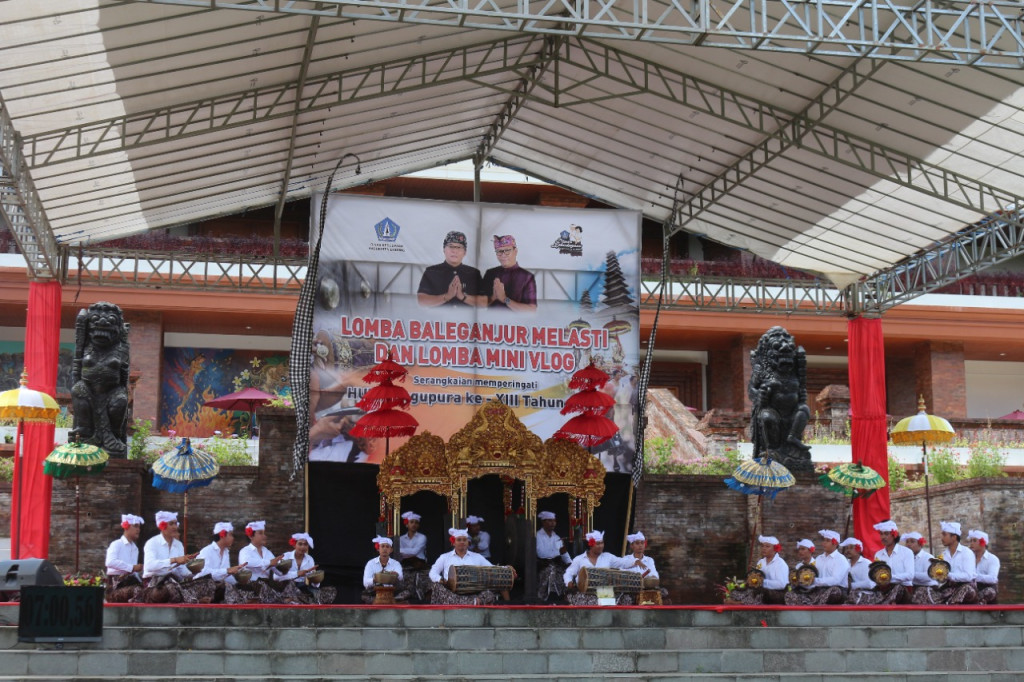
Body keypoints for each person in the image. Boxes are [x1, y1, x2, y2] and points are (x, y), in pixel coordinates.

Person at [429, 528, 501, 605]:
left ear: (468, 543)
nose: (462, 542)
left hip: (473, 592)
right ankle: (471, 602)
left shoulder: (477, 557)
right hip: (451, 593)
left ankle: (468, 602)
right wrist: (442, 580)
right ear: (453, 543)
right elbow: (433, 572)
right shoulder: (444, 557)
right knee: (437, 586)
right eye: (459, 540)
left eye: (464, 540)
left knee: (490, 588)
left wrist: (506, 569)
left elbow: (492, 569)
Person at [139, 511, 198, 603]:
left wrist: (196, 569)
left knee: (206, 584)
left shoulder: (178, 545)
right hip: (154, 584)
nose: (175, 527)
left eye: (175, 523)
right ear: (162, 526)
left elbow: (181, 571)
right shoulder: (152, 543)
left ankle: (190, 599)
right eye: (171, 524)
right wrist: (174, 560)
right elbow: (149, 566)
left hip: (174, 582)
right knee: (171, 588)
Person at [563, 530, 634, 606]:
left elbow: (622, 562)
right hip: (585, 593)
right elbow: (568, 573)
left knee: (626, 598)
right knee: (591, 601)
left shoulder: (608, 557)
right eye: (598, 544)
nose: (601, 546)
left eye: (602, 543)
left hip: (605, 592)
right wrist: (568, 582)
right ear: (590, 544)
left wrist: (635, 561)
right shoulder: (579, 559)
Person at [417, 231, 483, 307]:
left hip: (465, 318)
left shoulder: (474, 273)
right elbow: (422, 301)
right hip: (439, 318)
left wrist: (463, 297)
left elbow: (483, 302)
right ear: (444, 249)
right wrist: (447, 296)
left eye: (458, 247)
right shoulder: (432, 271)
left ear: (465, 252)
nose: (454, 251)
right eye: (451, 246)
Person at [227, 520, 286, 604]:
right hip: (251, 585)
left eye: (264, 533)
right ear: (251, 536)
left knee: (288, 585)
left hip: (266, 584)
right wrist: (269, 562)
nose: (264, 536)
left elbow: (278, 572)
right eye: (261, 533)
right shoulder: (245, 551)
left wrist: (283, 566)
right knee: (261, 588)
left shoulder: (267, 552)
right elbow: (247, 562)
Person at [786, 531, 846, 605]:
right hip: (818, 590)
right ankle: (809, 604)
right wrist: (803, 581)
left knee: (834, 591)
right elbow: (813, 575)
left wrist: (815, 581)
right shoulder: (819, 558)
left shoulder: (841, 559)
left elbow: (836, 580)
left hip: (835, 590)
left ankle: (810, 605)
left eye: (827, 541)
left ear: (835, 543)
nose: (823, 543)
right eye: (824, 540)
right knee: (790, 594)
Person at [192, 522, 247, 603]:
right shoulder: (207, 551)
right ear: (222, 535)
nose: (233, 538)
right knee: (225, 589)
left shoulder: (225, 552)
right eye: (231, 535)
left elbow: (225, 576)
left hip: (217, 588)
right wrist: (227, 571)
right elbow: (203, 573)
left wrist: (239, 582)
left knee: (244, 589)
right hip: (202, 588)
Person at [277, 532, 336, 605]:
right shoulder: (286, 556)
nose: (303, 547)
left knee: (329, 591)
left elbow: (315, 585)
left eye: (305, 544)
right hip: (287, 587)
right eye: (300, 544)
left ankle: (299, 599)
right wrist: (297, 574)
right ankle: (294, 599)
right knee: (290, 587)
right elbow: (276, 577)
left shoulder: (310, 559)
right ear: (294, 544)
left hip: (302, 587)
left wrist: (316, 579)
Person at [728, 535, 788, 605]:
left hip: (776, 593)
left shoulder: (780, 564)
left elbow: (781, 584)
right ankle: (740, 601)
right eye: (762, 546)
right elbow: (756, 578)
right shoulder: (761, 562)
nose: (763, 548)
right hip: (759, 589)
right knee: (735, 592)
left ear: (775, 548)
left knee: (760, 593)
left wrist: (762, 582)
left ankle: (740, 603)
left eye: (767, 546)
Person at [482, 235, 537, 312]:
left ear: (515, 251)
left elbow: (531, 310)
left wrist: (505, 299)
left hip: (516, 323)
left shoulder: (527, 277)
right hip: (491, 322)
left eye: (507, 250)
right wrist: (493, 297)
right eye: (499, 251)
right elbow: (480, 304)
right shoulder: (490, 273)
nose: (503, 255)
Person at [870, 520, 914, 604]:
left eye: (886, 534)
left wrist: (889, 578)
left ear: (894, 535)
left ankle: (882, 604)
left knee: (897, 588)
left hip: (903, 590)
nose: (883, 537)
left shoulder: (906, 552)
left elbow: (910, 575)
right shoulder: (878, 554)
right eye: (881, 534)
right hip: (883, 589)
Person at [105, 513, 144, 603]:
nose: (138, 529)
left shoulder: (135, 548)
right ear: (126, 527)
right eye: (135, 526)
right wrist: (132, 567)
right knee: (137, 591)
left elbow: (133, 573)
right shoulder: (116, 544)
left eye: (139, 527)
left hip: (130, 583)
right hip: (115, 588)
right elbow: (110, 562)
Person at [535, 511, 571, 602]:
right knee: (551, 571)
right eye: (550, 521)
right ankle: (544, 599)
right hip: (542, 565)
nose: (553, 523)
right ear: (543, 522)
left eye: (554, 521)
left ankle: (562, 599)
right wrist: (557, 551)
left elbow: (564, 554)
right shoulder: (537, 536)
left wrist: (571, 563)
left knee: (568, 572)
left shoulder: (556, 537)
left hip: (556, 564)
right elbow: (541, 553)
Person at [395, 511, 431, 602]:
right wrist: (402, 553)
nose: (414, 524)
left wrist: (401, 551)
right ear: (407, 524)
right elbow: (397, 554)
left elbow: (415, 552)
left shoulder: (422, 537)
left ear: (418, 525)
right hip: (406, 565)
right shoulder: (401, 539)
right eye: (412, 522)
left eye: (416, 522)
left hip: (420, 565)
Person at [362, 536, 404, 604]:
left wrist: (394, 574)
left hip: (392, 592)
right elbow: (365, 582)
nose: (385, 549)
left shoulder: (396, 564)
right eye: (382, 546)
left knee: (404, 593)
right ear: (378, 548)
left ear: (391, 550)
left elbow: (400, 577)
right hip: (375, 592)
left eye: (387, 547)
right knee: (364, 596)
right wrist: (375, 579)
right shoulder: (371, 563)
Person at [841, 537, 879, 604]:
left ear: (858, 549)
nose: (848, 550)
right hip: (849, 593)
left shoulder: (866, 564)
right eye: (847, 548)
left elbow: (870, 583)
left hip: (866, 594)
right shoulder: (845, 563)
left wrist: (851, 585)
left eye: (851, 548)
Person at [967, 529, 999, 604]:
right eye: (970, 541)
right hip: (971, 588)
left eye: (974, 541)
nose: (971, 543)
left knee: (990, 591)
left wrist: (974, 577)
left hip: (986, 588)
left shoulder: (992, 559)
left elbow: (993, 578)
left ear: (983, 543)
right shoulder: (968, 558)